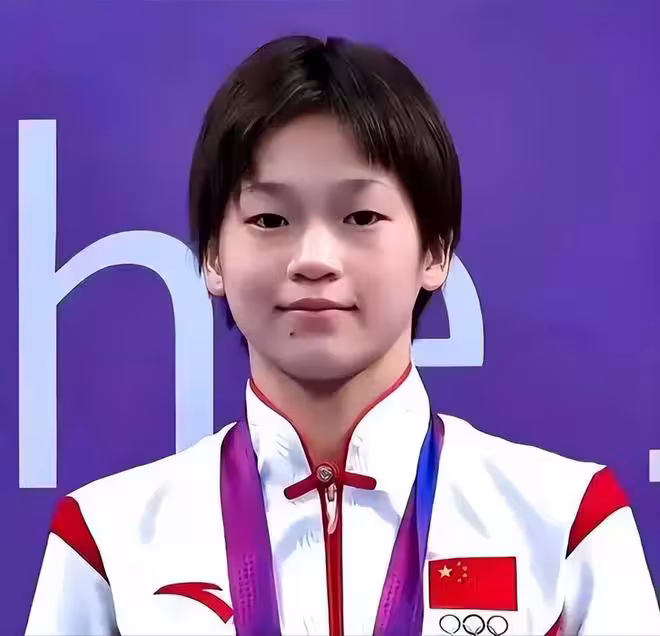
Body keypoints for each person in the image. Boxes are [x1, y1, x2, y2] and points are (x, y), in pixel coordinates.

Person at [26, 35, 659, 636]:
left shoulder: (567, 524)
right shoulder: (108, 542)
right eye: (270, 219)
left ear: (435, 251)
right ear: (213, 257)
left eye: (360, 216)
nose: (314, 258)